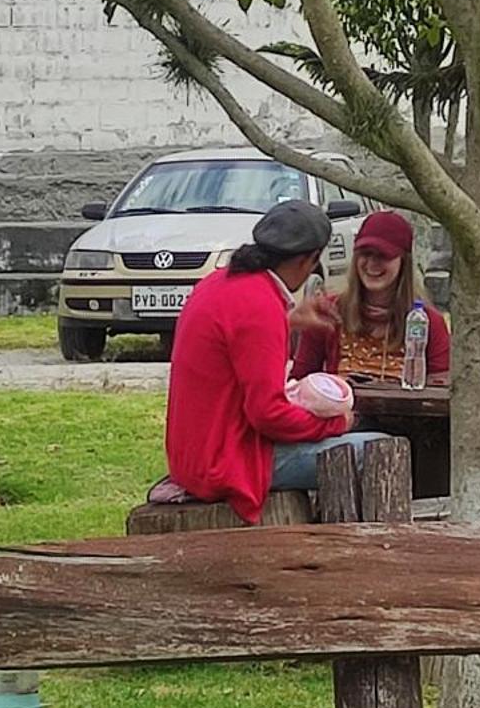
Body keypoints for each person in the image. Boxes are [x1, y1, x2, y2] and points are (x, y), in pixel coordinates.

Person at [164, 198, 387, 521]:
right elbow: (268, 415)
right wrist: (338, 423)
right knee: (377, 448)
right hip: (228, 461)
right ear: (309, 259)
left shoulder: (218, 283)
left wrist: (289, 320)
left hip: (193, 456)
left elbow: (235, 341)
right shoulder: (260, 305)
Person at [290, 210, 450, 384]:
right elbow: (300, 380)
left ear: (403, 261)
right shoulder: (329, 312)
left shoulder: (429, 321)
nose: (372, 263)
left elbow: (440, 387)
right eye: (366, 254)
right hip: (342, 410)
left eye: (383, 256)